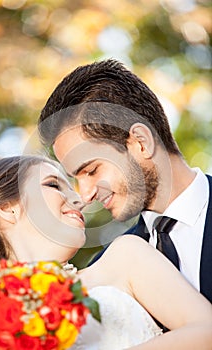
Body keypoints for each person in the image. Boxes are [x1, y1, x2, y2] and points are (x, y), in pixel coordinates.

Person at [0, 154, 212, 350]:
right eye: (53, 184)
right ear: (7, 208)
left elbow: (207, 331)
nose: (80, 199)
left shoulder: (123, 258)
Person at [38, 59, 212, 306]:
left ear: (141, 142)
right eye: (75, 179)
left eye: (91, 170)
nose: (85, 195)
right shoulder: (103, 269)